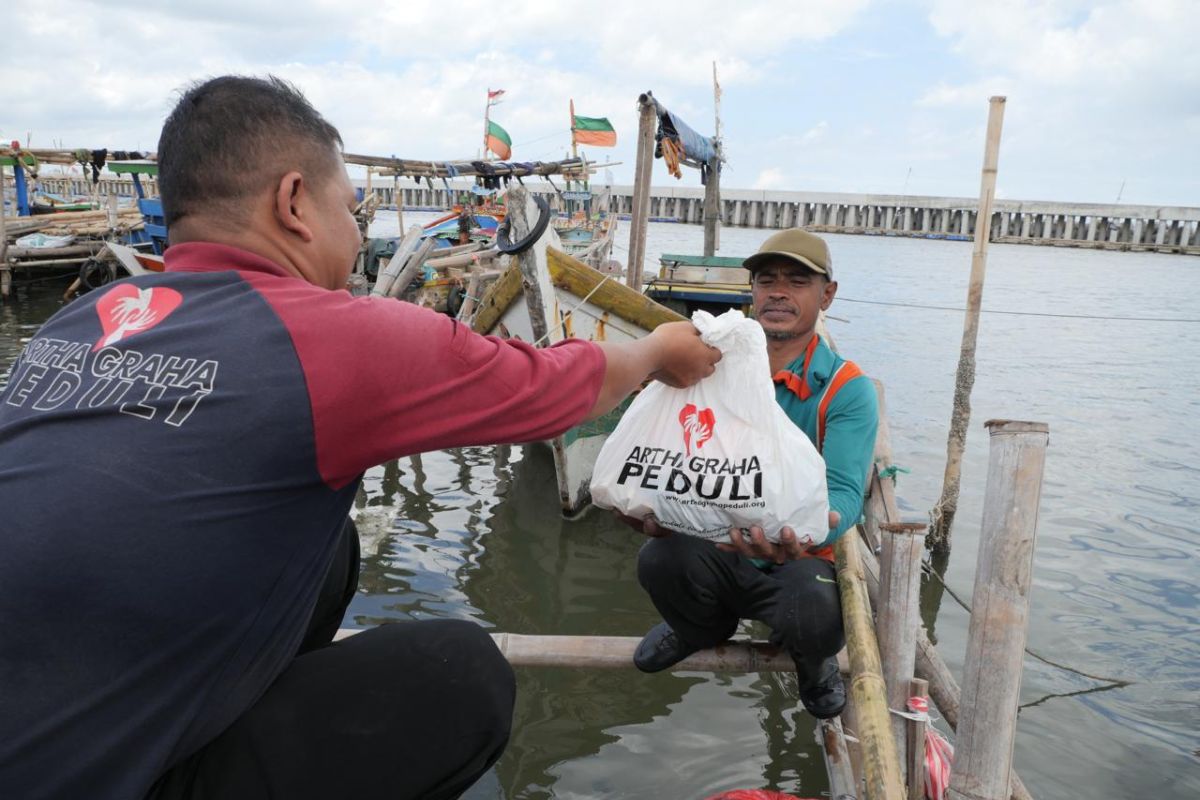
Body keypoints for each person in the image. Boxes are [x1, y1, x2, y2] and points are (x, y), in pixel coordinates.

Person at [0, 76, 720, 800]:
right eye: (353, 209)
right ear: (293, 204)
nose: (356, 231)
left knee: (333, 550)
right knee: (461, 676)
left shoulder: (79, 323)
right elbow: (557, 388)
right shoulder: (331, 336)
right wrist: (658, 351)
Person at [629, 228, 878, 720]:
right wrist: (648, 504)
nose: (779, 292)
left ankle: (812, 660)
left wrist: (808, 528)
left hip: (798, 556)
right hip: (716, 543)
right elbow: (670, 455)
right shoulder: (706, 367)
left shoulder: (846, 390)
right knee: (658, 559)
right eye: (767, 281)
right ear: (752, 293)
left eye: (798, 281)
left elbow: (847, 493)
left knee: (815, 605)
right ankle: (698, 629)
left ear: (827, 294)